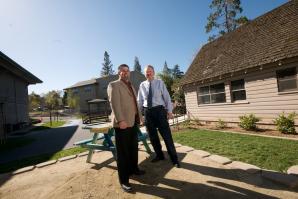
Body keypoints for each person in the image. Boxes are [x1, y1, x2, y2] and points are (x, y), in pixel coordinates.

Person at [107, 64, 145, 192]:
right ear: (119, 72)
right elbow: (115, 104)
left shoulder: (131, 85)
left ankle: (134, 169)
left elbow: (135, 103)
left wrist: (140, 117)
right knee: (123, 153)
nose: (125, 73)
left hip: (133, 122)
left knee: (133, 148)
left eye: (127, 71)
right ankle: (124, 181)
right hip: (122, 124)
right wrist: (120, 120)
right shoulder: (114, 85)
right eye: (123, 71)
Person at [137, 65, 180, 168]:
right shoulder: (142, 85)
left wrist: (169, 111)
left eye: (150, 71)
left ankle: (174, 159)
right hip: (148, 112)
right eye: (147, 72)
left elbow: (166, 97)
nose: (148, 73)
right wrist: (140, 115)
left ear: (154, 72)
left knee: (166, 136)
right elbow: (140, 101)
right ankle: (159, 155)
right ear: (145, 74)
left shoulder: (160, 82)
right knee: (152, 137)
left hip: (159, 111)